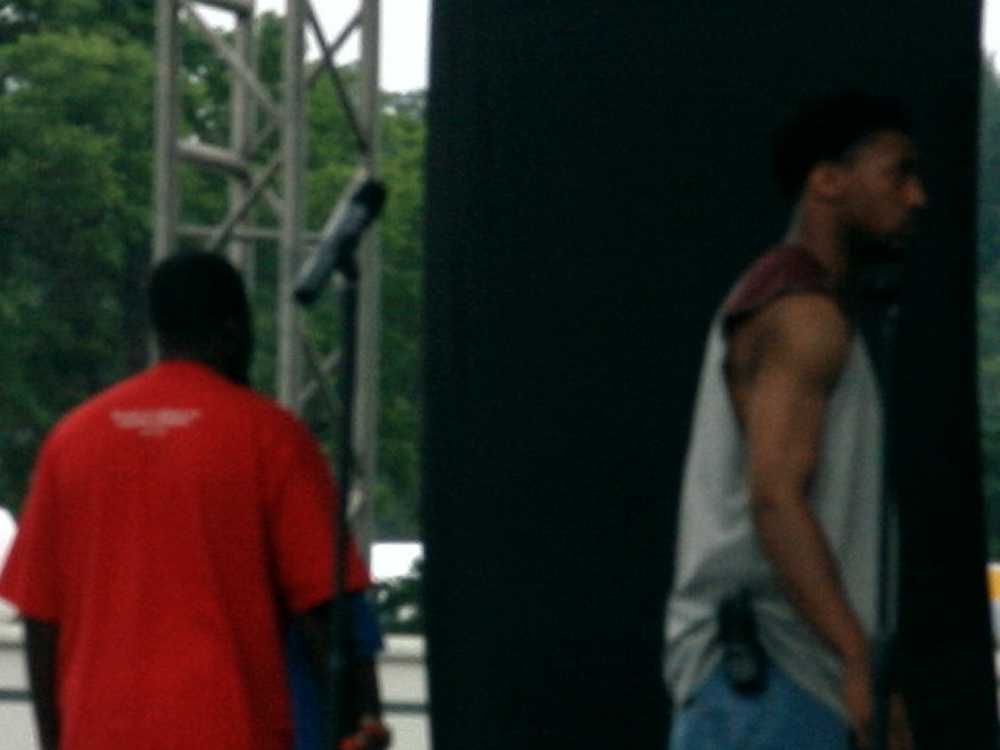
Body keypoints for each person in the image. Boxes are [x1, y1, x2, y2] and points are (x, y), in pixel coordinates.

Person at [0, 251, 390, 750]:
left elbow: (40, 623)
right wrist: (361, 725)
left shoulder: (71, 441)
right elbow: (326, 613)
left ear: (159, 329)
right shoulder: (270, 437)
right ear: (235, 328)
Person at [664, 92, 927, 750]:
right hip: (772, 681)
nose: (916, 197)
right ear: (828, 180)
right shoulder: (802, 316)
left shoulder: (795, 306)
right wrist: (858, 658)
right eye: (898, 173)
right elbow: (776, 500)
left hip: (779, 684)